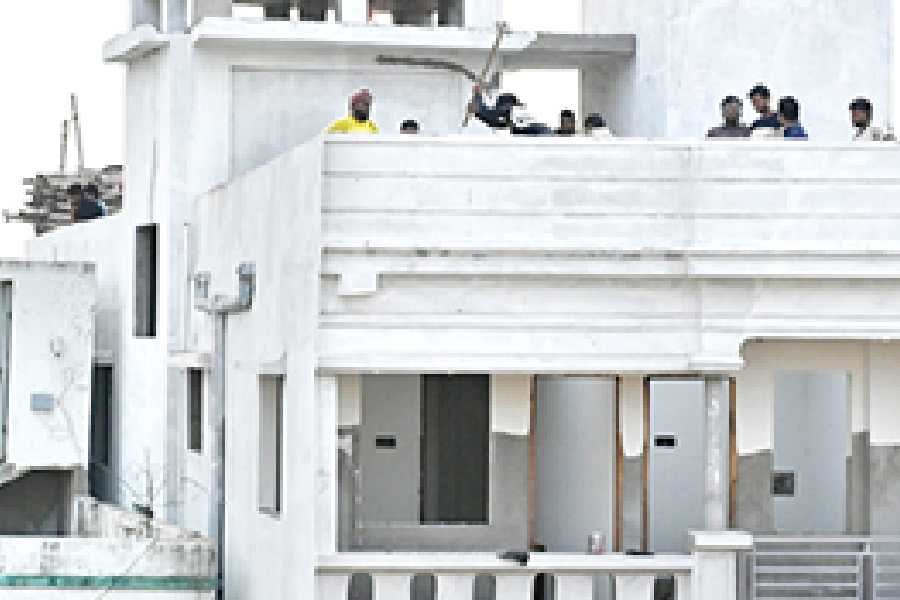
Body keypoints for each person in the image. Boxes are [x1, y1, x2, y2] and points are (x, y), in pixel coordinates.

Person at [470, 86, 552, 136]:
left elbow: (491, 116)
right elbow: (494, 120)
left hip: (542, 136)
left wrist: (477, 95)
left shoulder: (513, 111)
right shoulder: (514, 116)